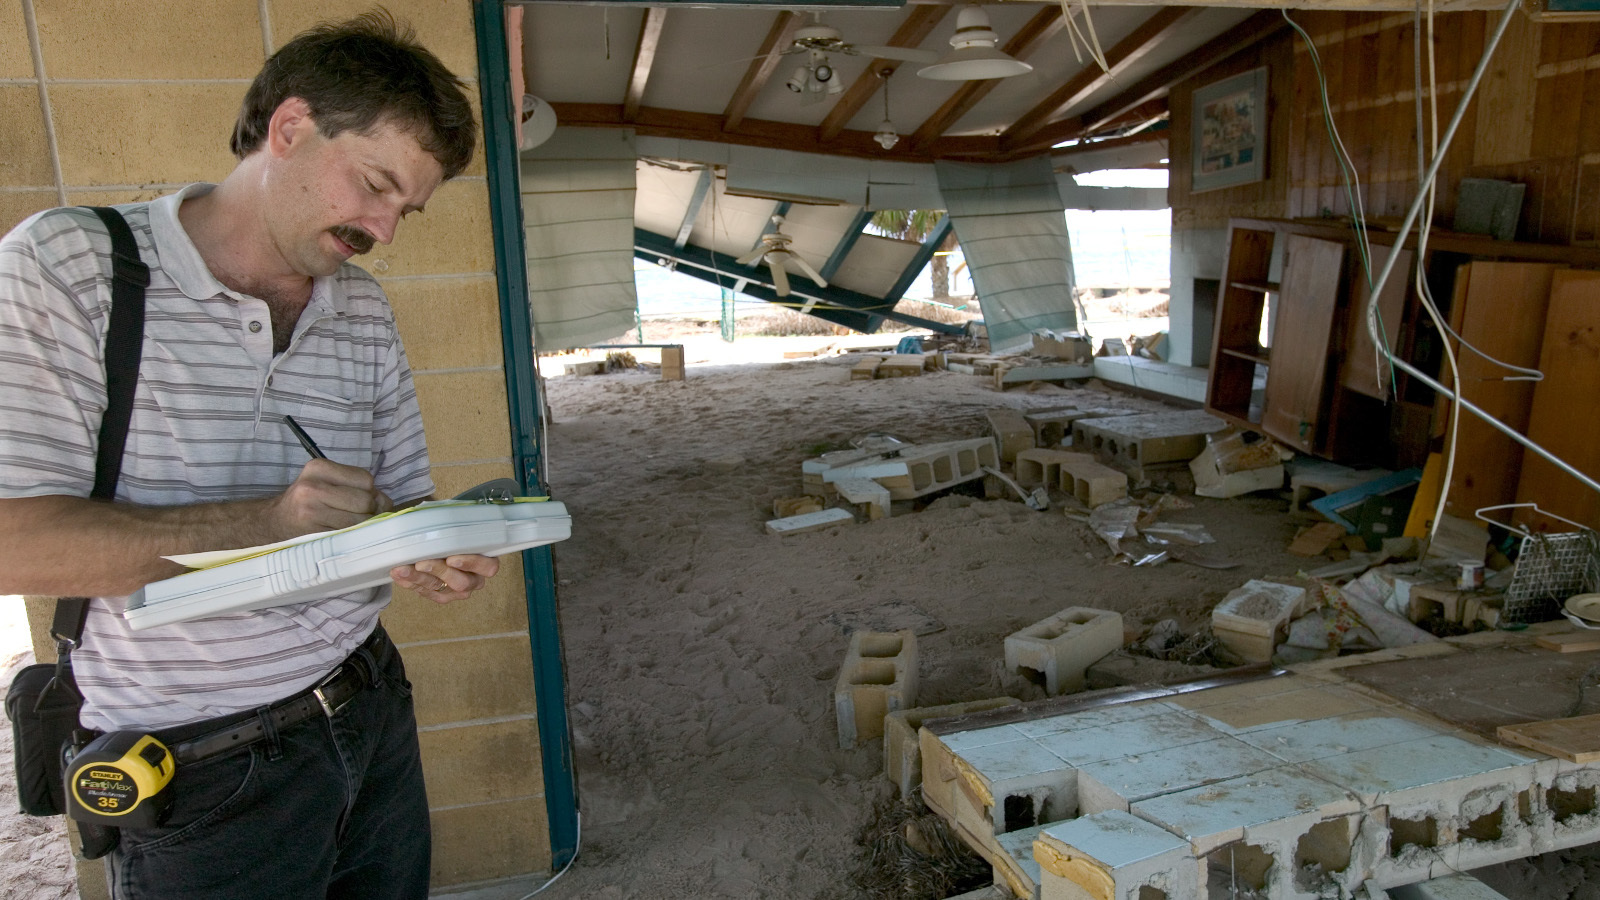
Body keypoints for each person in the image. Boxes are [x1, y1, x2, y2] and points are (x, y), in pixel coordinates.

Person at [0, 11, 494, 898]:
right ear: (290, 127)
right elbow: (14, 544)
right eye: (375, 186)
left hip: (368, 702)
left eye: (405, 209)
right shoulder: (73, 269)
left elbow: (398, 505)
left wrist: (427, 547)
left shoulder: (362, 311)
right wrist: (268, 523)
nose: (384, 230)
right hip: (198, 767)